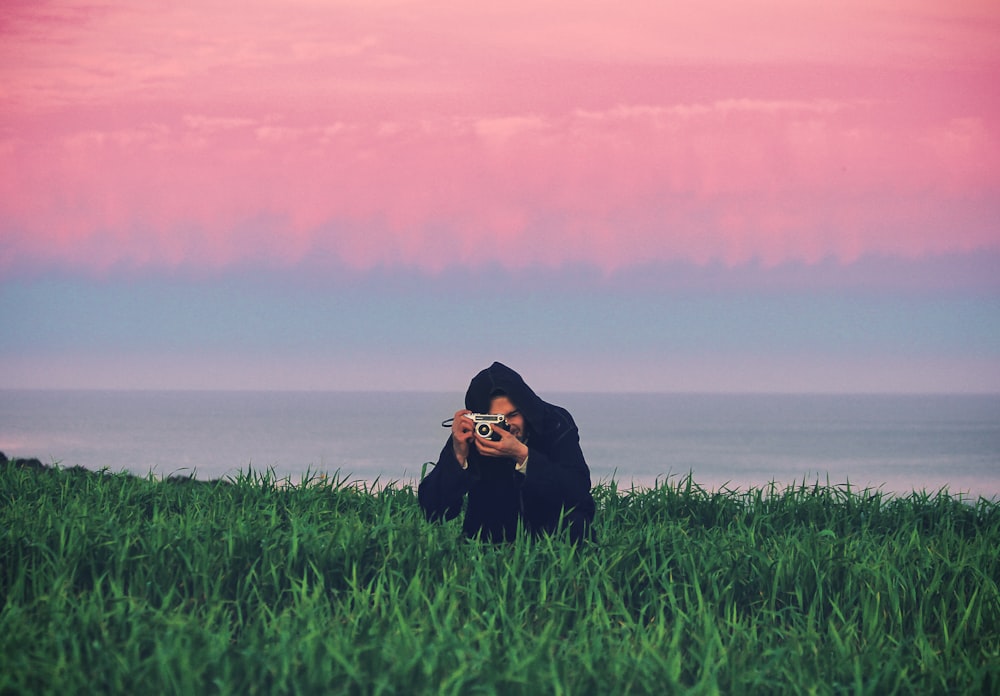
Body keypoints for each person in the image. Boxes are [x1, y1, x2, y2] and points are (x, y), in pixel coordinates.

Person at [418, 362, 595, 543]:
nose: (508, 426)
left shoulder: (554, 422)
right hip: (490, 537)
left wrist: (523, 456)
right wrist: (458, 457)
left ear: (527, 408)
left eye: (513, 415)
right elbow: (432, 511)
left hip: (553, 535)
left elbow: (578, 491)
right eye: (496, 419)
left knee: (576, 522)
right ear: (480, 418)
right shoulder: (475, 433)